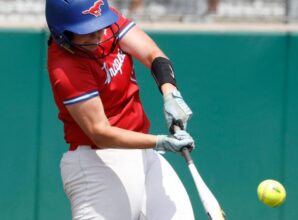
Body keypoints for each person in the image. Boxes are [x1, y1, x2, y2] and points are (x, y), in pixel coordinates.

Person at [45, 0, 195, 219]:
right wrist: (161, 141)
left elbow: (153, 54)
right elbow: (100, 132)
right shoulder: (65, 68)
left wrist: (170, 94)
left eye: (99, 26)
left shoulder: (104, 22)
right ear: (63, 34)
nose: (97, 35)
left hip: (144, 157)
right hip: (98, 165)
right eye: (87, 32)